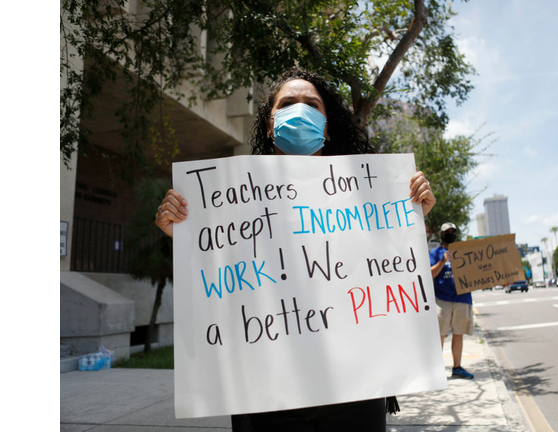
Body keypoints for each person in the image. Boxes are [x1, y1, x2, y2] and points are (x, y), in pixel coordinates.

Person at [154, 67, 436, 431]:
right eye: (288, 103)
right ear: (270, 125)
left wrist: (410, 220)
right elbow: (222, 281)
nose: (300, 110)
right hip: (264, 392)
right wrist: (186, 232)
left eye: (311, 104)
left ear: (327, 125)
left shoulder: (369, 199)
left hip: (355, 390)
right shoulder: (228, 203)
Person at [429, 222, 474, 380]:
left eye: (453, 231)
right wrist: (442, 261)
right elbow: (429, 274)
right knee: (440, 334)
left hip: (462, 298)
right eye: (447, 231)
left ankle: (457, 367)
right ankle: (436, 371)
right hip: (442, 299)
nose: (451, 233)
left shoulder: (465, 252)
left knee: (458, 333)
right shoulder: (435, 253)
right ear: (441, 235)